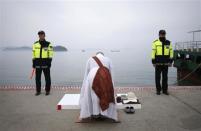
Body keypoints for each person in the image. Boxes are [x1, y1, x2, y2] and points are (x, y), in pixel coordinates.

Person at [79, 52, 118, 122]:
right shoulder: (108, 59)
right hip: (105, 76)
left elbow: (86, 74)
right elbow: (112, 74)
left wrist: (84, 87)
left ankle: (94, 113)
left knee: (94, 95)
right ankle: (104, 113)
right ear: (103, 55)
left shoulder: (90, 59)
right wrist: (111, 85)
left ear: (96, 54)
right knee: (104, 94)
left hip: (92, 75)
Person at [151, 30, 173, 95]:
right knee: (157, 77)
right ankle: (158, 90)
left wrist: (171, 61)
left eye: (163, 34)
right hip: (158, 63)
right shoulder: (155, 42)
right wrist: (153, 61)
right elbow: (153, 52)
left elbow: (171, 52)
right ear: (159, 34)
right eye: (161, 34)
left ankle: (165, 90)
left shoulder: (169, 42)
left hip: (166, 63)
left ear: (165, 34)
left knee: (165, 77)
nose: (162, 35)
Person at [32, 31, 54, 96]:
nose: (41, 36)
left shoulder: (48, 44)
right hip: (37, 64)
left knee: (47, 78)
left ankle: (47, 91)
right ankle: (38, 91)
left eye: (42, 35)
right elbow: (33, 54)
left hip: (46, 64)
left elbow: (51, 54)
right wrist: (33, 63)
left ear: (44, 36)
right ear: (38, 36)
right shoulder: (35, 44)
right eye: (39, 35)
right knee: (37, 79)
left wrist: (49, 63)